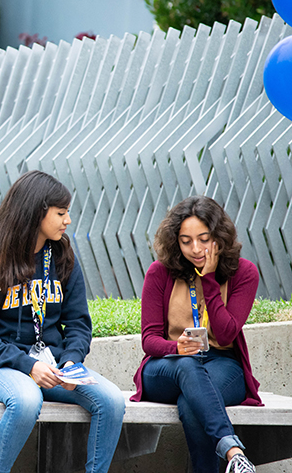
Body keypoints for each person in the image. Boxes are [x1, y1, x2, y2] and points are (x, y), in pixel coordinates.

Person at [0, 170, 125, 473]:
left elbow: (78, 323)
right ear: (36, 212)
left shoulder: (62, 257)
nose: (67, 221)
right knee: (26, 400)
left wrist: (70, 362)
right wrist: (29, 366)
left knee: (112, 401)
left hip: (52, 366)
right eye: (61, 213)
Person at [131, 195, 261, 473]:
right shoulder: (160, 272)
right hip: (168, 364)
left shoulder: (244, 273)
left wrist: (209, 279)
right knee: (188, 367)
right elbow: (149, 340)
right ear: (175, 241)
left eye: (204, 239)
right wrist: (175, 348)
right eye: (186, 241)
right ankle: (234, 451)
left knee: (190, 404)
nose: (196, 248)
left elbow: (226, 334)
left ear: (219, 236)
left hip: (222, 363)